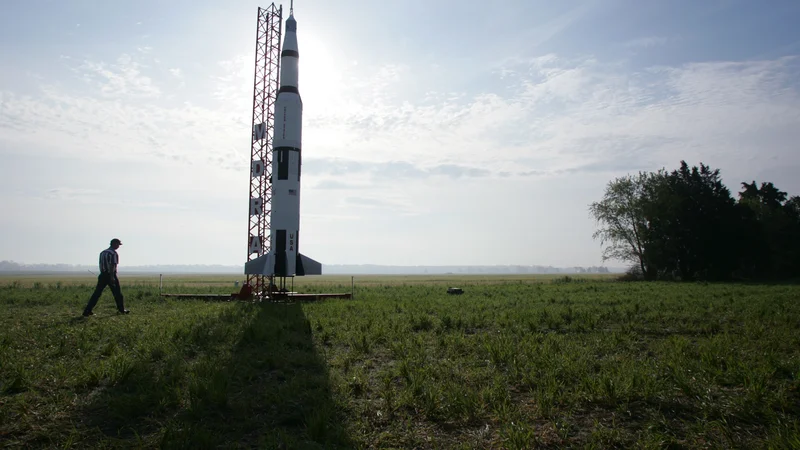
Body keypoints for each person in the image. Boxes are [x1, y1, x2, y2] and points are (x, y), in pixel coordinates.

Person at [83, 238, 130, 316]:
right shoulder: (113, 253)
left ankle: (87, 311)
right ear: (114, 244)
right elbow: (112, 265)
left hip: (102, 275)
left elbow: (101, 264)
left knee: (97, 294)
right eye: (118, 244)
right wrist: (112, 277)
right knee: (118, 294)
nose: (118, 246)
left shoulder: (103, 253)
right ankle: (121, 310)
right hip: (110, 275)